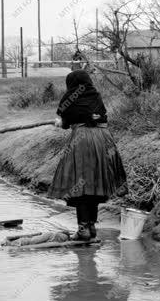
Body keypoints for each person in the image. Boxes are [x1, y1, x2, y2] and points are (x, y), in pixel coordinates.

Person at [48, 70, 127, 241]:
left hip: (83, 140)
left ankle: (83, 229)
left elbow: (66, 123)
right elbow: (101, 117)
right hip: (103, 139)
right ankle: (90, 226)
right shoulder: (95, 95)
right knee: (95, 182)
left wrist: (60, 123)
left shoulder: (70, 99)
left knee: (81, 184)